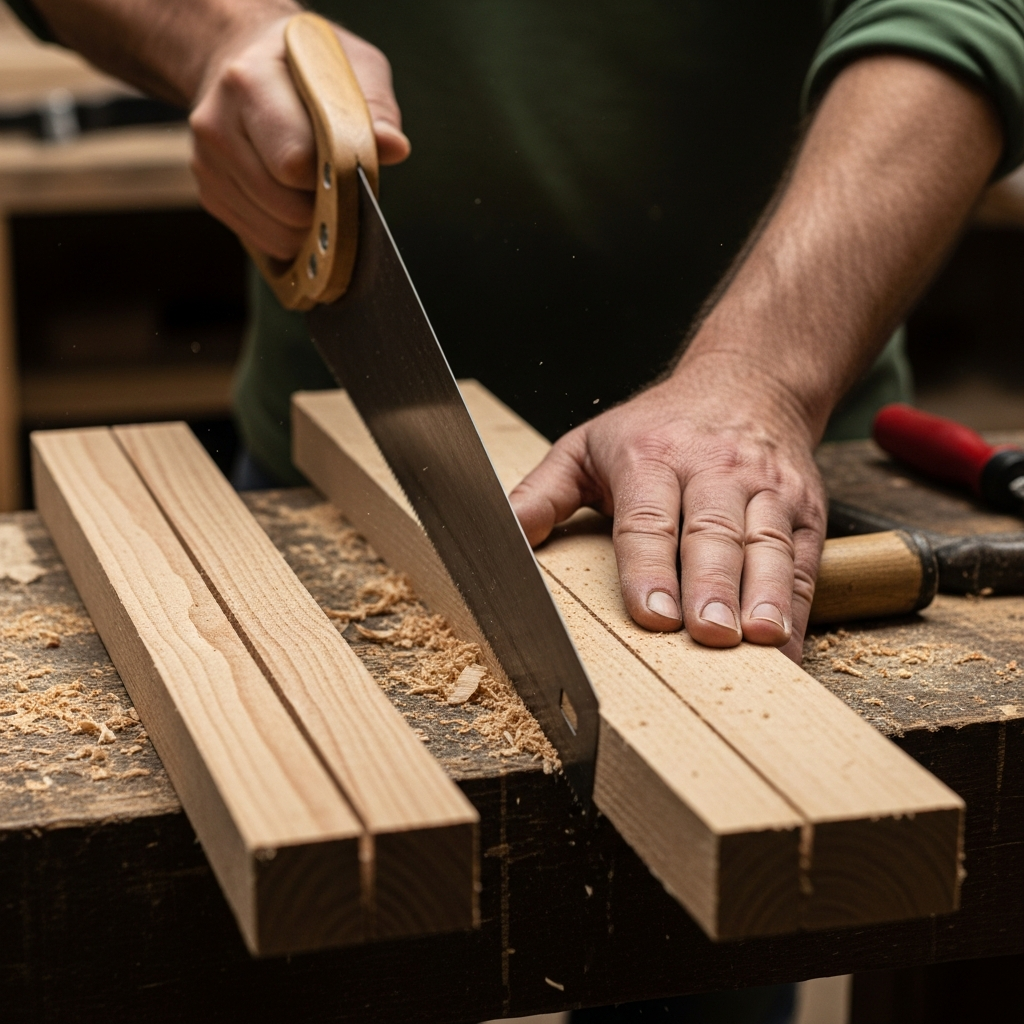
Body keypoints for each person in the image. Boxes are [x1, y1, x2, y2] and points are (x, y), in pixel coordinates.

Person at [9, 5, 1023, 1019]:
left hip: (737, 502)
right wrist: (213, 33)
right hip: (331, 464)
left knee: (743, 891)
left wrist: (759, 374)